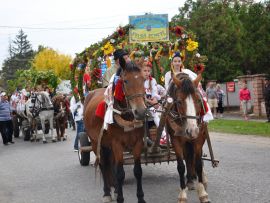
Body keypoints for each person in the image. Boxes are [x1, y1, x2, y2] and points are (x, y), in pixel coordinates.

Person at [164, 52, 213, 122]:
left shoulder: (187, 72)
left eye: (179, 61)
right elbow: (167, 87)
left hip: (186, 94)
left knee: (198, 100)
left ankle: (202, 118)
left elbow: (194, 82)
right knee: (165, 109)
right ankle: (166, 124)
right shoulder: (168, 74)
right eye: (175, 61)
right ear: (172, 63)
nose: (177, 63)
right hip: (173, 95)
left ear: (181, 63)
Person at [141, 61, 167, 145]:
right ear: (141, 71)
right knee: (154, 112)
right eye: (145, 71)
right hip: (141, 106)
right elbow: (141, 98)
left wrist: (153, 101)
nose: (147, 73)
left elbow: (154, 96)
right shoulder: (139, 81)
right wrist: (150, 101)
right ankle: (163, 135)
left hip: (151, 106)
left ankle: (164, 136)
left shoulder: (152, 81)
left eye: (148, 71)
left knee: (158, 111)